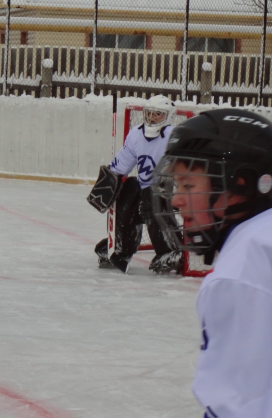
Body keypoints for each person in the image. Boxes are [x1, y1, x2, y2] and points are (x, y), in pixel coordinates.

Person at [151, 108, 272, 417]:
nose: (176, 200)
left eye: (189, 185)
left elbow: (242, 407)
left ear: (239, 185)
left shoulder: (243, 271)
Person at [88, 94, 182, 273]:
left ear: (168, 116)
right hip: (148, 188)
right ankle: (122, 248)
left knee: (151, 196)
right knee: (127, 191)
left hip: (171, 190)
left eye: (158, 114)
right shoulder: (136, 134)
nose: (152, 118)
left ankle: (171, 250)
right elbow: (121, 165)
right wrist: (107, 183)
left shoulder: (174, 137)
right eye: (149, 114)